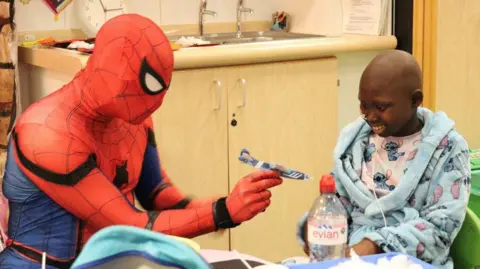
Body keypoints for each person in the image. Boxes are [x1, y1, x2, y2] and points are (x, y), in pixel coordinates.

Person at [0, 14, 282, 268]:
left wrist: (234, 200)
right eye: (150, 86)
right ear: (111, 68)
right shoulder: (48, 132)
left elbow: (159, 195)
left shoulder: (132, 119)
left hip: (115, 261)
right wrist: (223, 212)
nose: (155, 104)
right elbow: (129, 224)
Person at [296, 50, 471, 269]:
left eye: (380, 107)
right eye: (364, 105)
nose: (369, 116)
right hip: (351, 257)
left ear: (415, 100)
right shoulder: (354, 142)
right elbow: (337, 202)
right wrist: (316, 227)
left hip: (413, 261)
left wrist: (374, 246)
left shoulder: (448, 148)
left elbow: (440, 227)